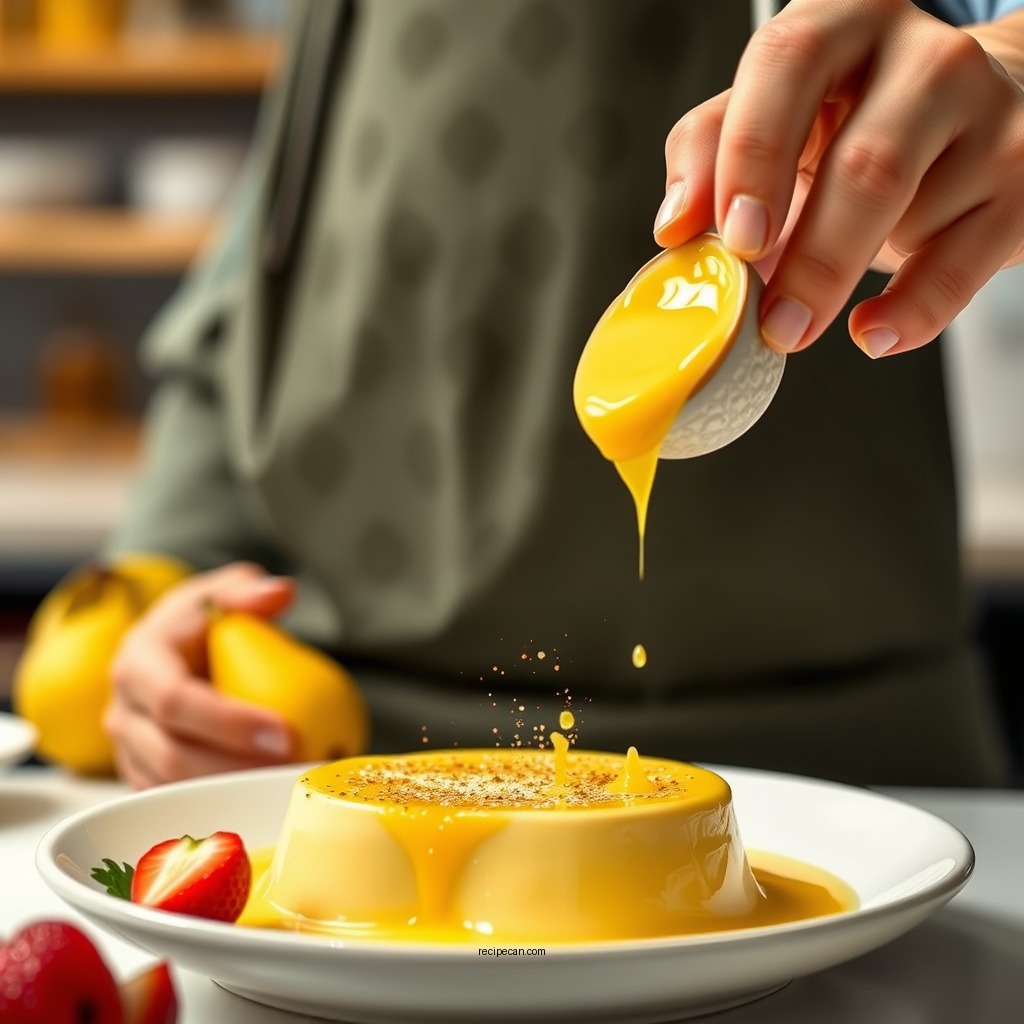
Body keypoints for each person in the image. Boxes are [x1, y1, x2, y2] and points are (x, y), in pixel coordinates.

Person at [89, 0, 1024, 789]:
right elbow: (290, 218)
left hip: (827, 775)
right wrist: (172, 567)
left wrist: (1014, 50)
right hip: (340, 765)